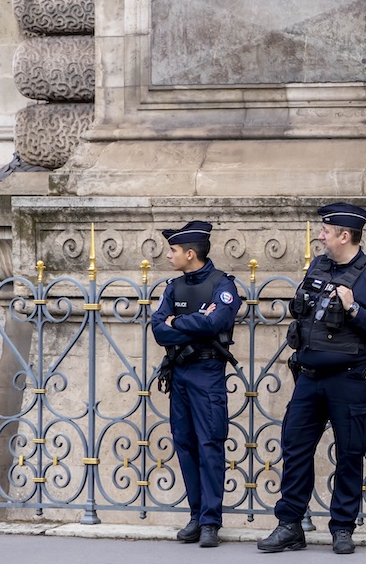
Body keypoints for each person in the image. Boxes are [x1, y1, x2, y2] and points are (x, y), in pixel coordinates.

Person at [258, 203, 366, 554]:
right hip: (310, 376)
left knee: (350, 452)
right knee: (295, 447)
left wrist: (353, 308)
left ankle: (342, 528)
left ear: (344, 235)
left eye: (326, 231)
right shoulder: (319, 266)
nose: (320, 236)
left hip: (349, 379)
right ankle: (289, 525)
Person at [150, 221, 242, 548]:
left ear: (190, 254)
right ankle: (196, 515)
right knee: (185, 444)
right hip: (180, 372)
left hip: (207, 372)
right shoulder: (174, 287)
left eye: (173, 250)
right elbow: (158, 328)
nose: (168, 255)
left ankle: (210, 521)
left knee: (209, 444)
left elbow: (217, 322)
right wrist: (194, 323)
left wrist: (178, 321)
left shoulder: (223, 285)